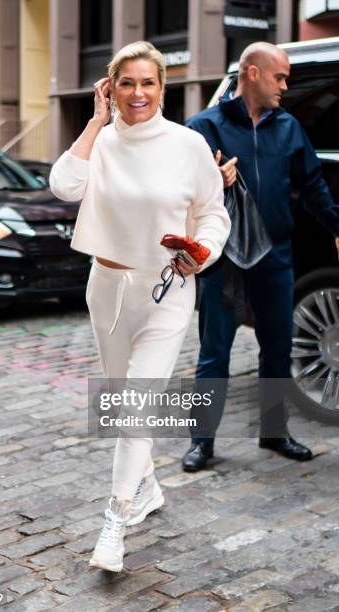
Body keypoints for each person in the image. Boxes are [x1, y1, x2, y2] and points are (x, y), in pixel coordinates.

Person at [49, 41, 230, 572]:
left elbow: (213, 215)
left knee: (136, 405)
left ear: (162, 88)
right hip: (107, 287)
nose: (137, 93)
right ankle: (147, 485)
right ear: (110, 87)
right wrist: (94, 123)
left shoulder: (189, 144)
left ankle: (115, 519)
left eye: (147, 82)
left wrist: (206, 252)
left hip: (167, 290)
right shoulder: (100, 142)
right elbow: (64, 186)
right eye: (125, 82)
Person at [182, 41, 339, 472]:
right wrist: (211, 181)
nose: (285, 86)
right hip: (223, 258)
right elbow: (178, 192)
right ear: (251, 73)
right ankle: (202, 442)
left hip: (275, 255)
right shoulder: (202, 127)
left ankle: (274, 432)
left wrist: (338, 227)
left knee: (276, 347)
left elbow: (313, 187)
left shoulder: (288, 127)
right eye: (279, 77)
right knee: (215, 351)